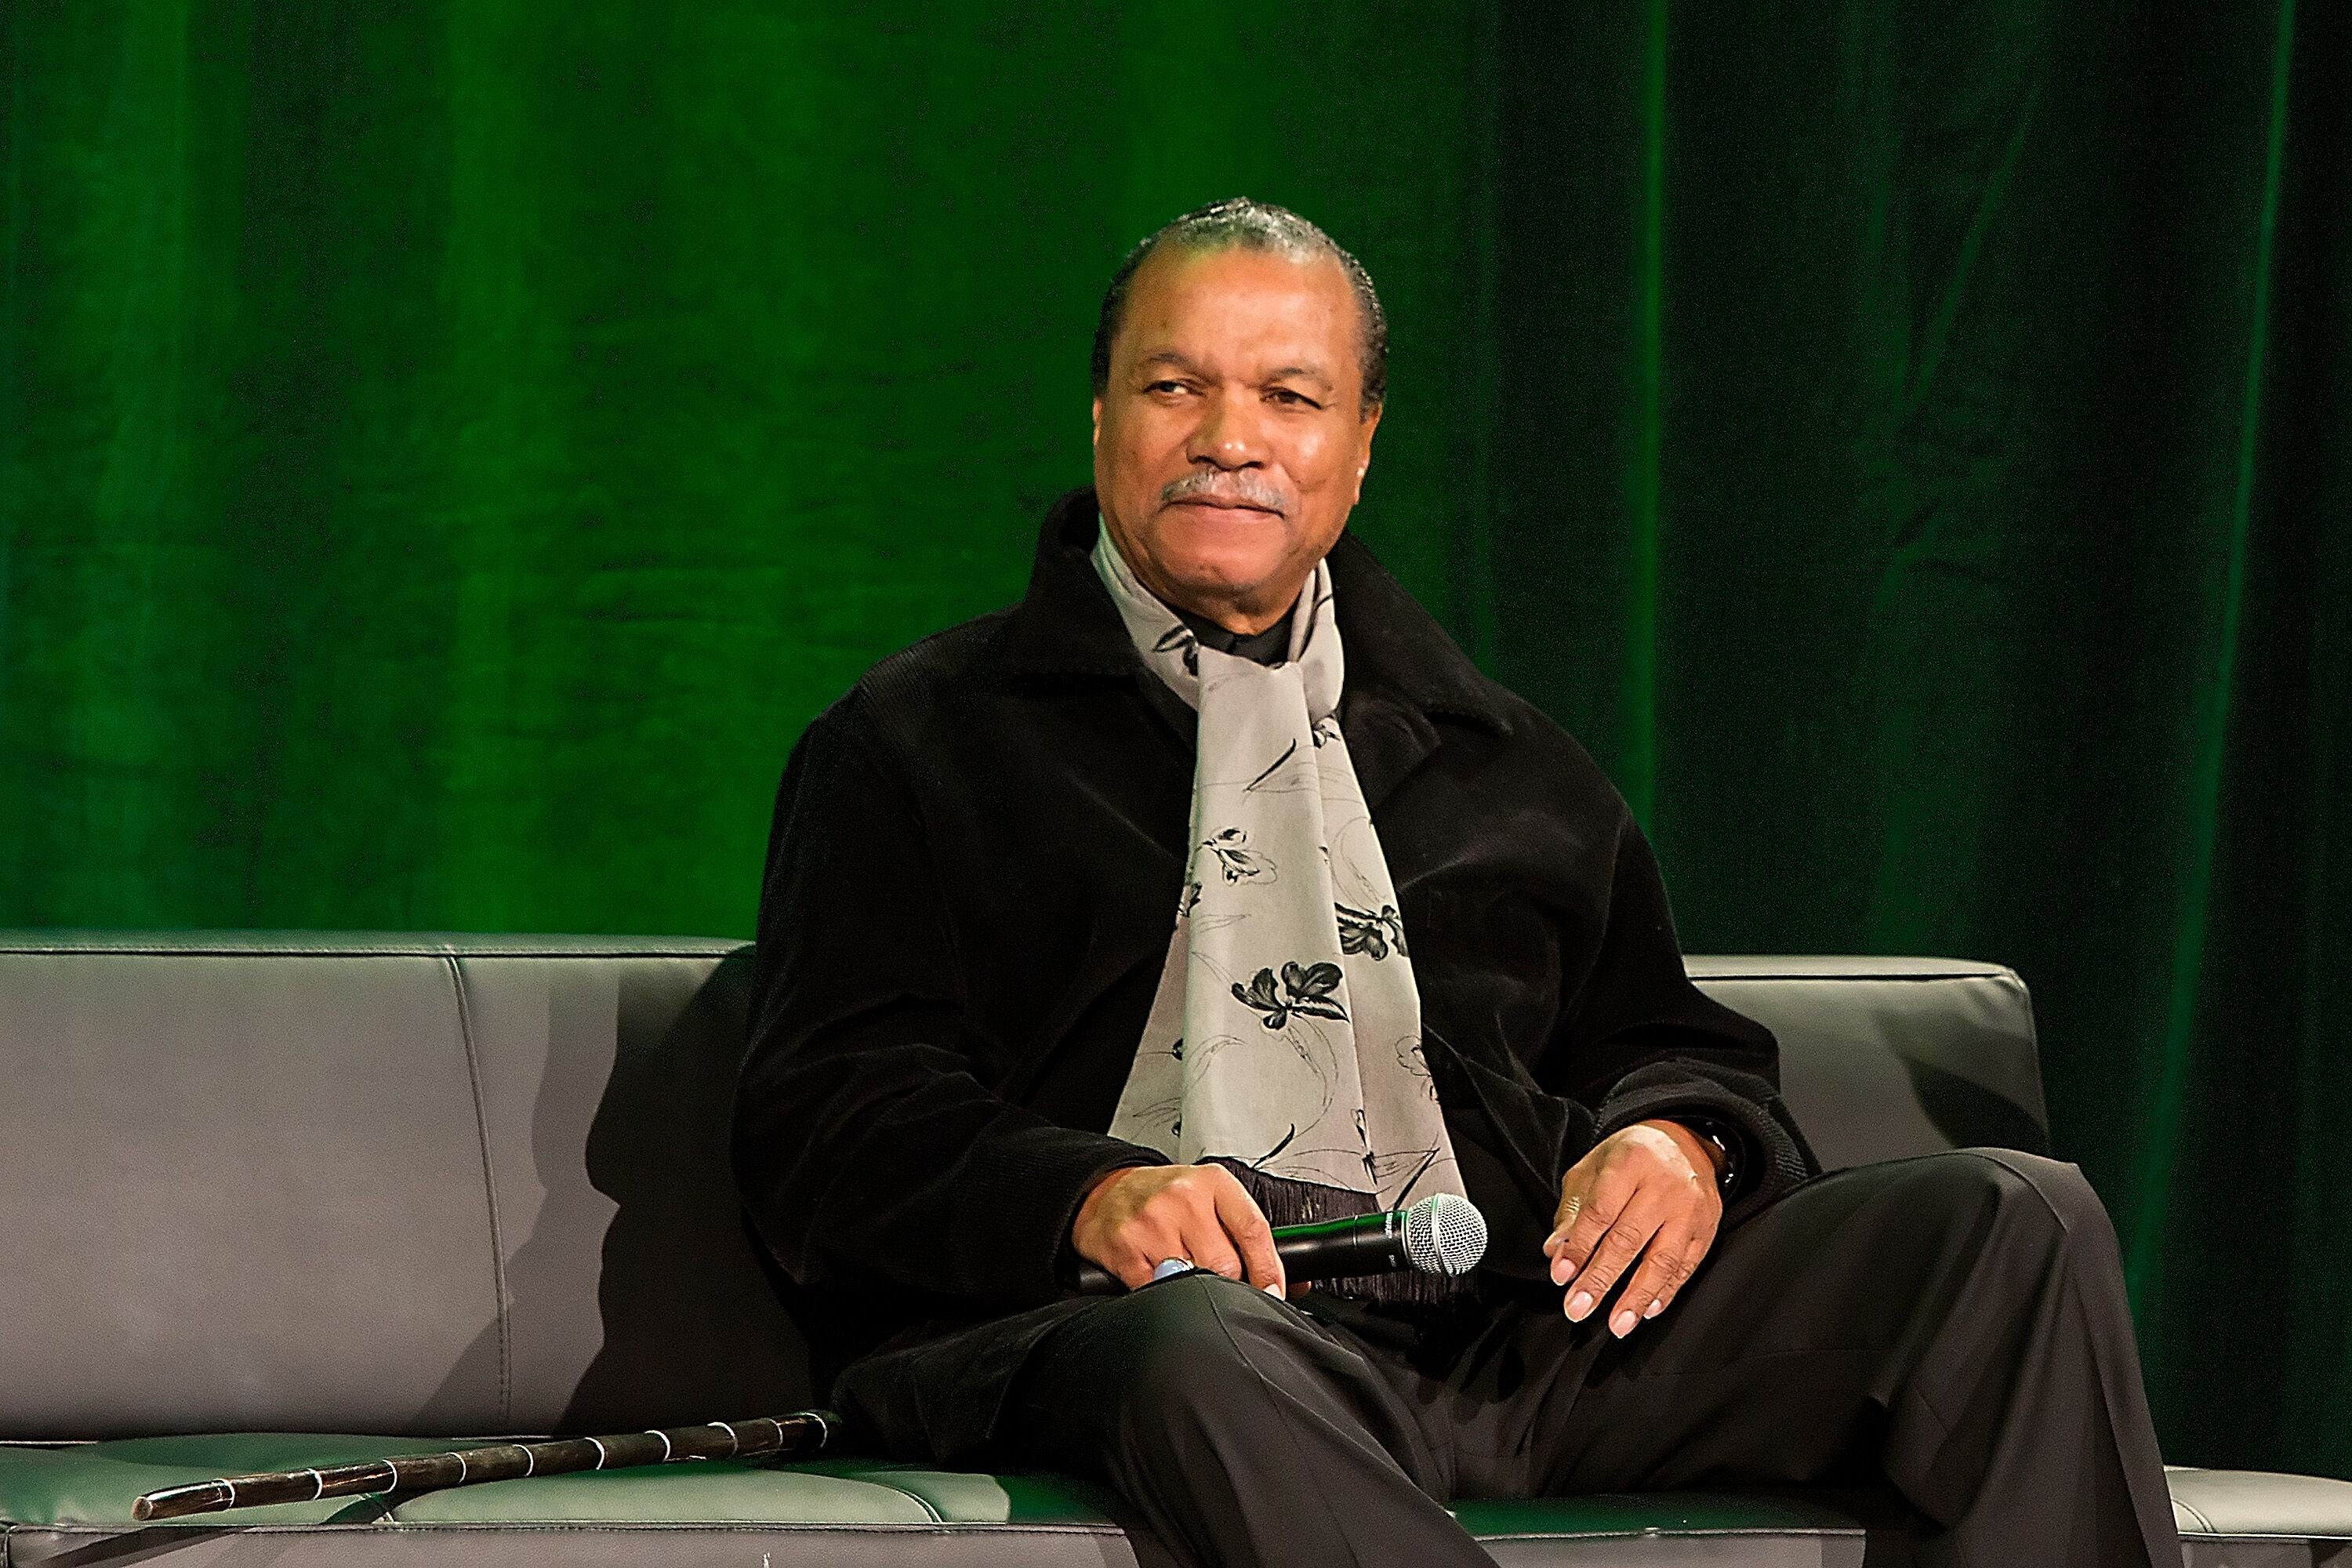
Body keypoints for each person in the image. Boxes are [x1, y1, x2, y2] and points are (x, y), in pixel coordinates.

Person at [733, 198, 2180, 1567]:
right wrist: (1086, 1198)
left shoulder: (1505, 759)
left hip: (1524, 1333)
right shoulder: (921, 744)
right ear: (1101, 413)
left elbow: (1670, 1043)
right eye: (1176, 387)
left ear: (1360, 447)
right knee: (1199, 1342)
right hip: (1146, 1338)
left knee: (2015, 1218)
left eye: (1290, 399)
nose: (1229, 439)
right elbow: (828, 1113)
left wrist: (1683, 1143)